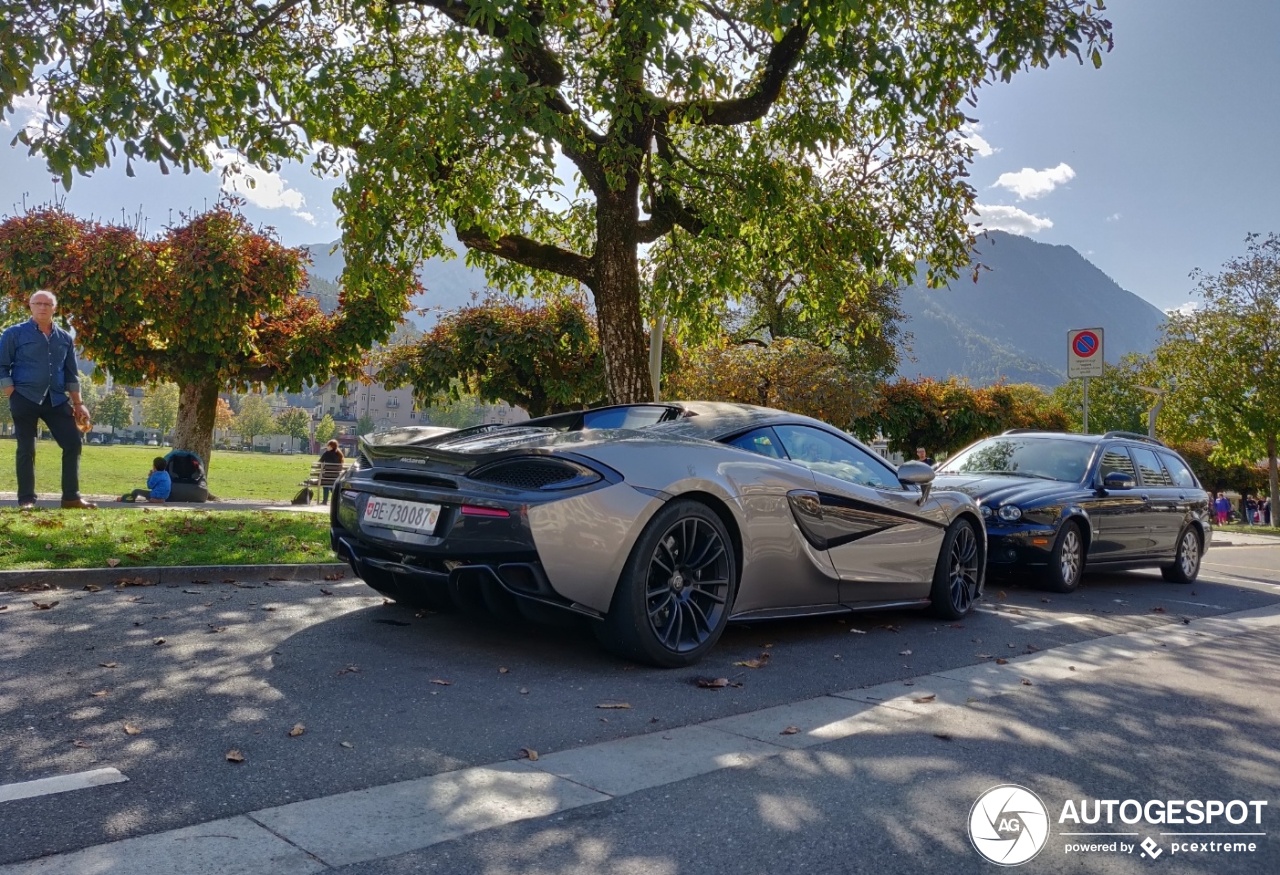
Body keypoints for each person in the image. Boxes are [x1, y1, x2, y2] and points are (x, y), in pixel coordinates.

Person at [0, 290, 96, 510]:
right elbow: (2, 365)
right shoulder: (14, 334)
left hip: (56, 399)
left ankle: (71, 498)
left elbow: (71, 373)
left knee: (73, 442)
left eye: (47, 304)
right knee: (27, 448)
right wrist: (10, 391)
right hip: (24, 397)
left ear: (55, 308)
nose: (43, 307)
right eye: (38, 303)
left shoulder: (64, 338)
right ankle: (26, 500)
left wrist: (79, 403)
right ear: (30, 306)